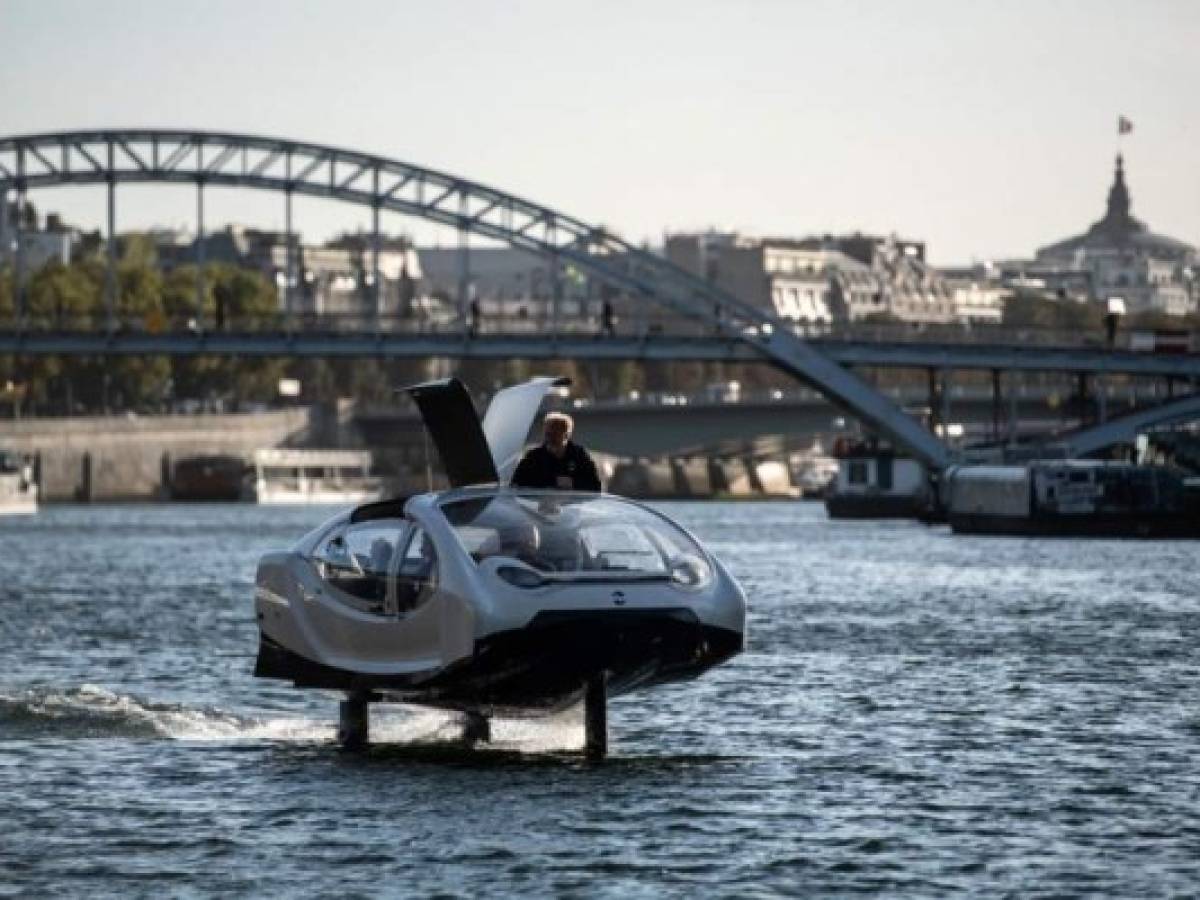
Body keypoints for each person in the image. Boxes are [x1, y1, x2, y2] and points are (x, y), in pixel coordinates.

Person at [511, 412, 602, 492]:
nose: (550, 439)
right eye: (548, 434)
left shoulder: (579, 455)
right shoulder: (534, 456)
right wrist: (554, 481)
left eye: (555, 434)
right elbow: (517, 482)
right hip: (540, 505)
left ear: (566, 435)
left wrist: (572, 483)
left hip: (571, 506)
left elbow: (595, 486)